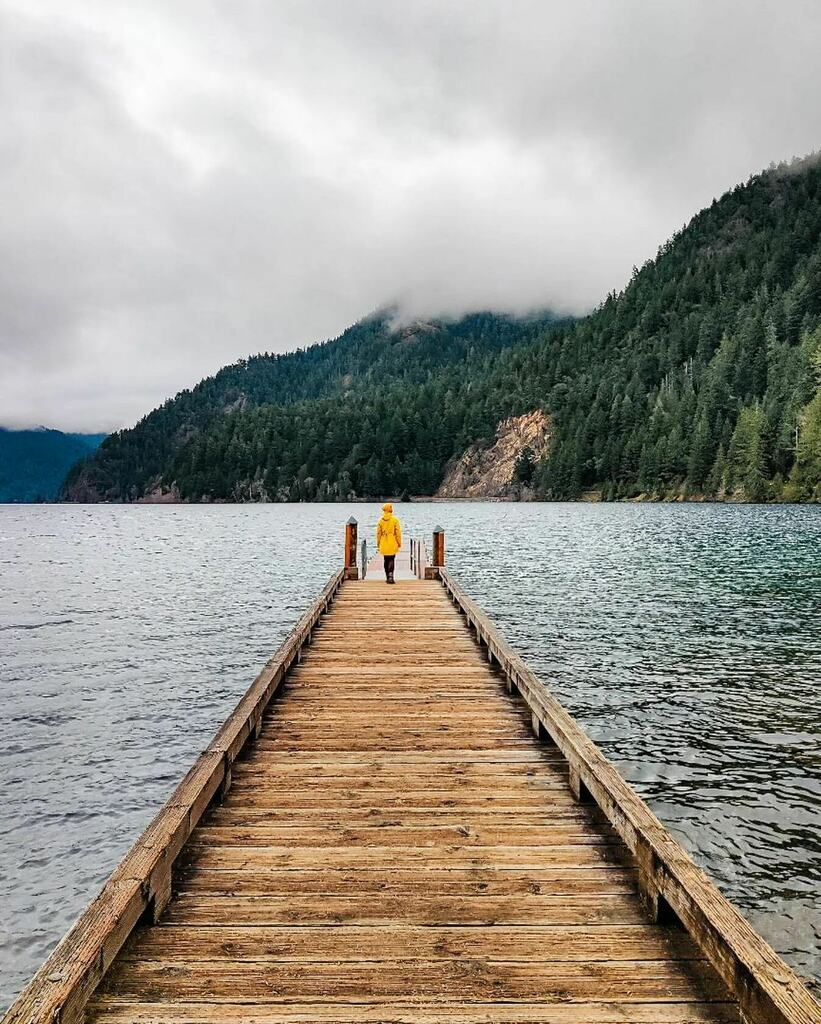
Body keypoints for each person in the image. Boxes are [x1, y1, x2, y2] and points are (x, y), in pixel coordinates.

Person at [376, 502, 402, 584]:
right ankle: (391, 576)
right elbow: (398, 532)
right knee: (392, 558)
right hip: (392, 540)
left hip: (384, 541)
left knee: (386, 559)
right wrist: (399, 542)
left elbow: (378, 533)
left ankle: (387, 576)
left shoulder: (380, 520)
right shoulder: (395, 520)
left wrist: (378, 543)